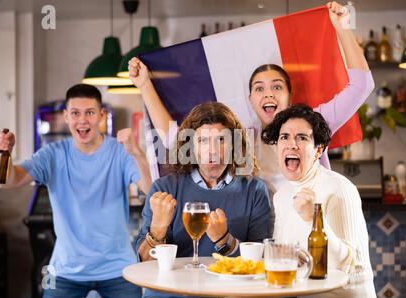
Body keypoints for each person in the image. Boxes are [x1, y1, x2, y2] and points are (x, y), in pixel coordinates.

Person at [128, 1, 374, 231]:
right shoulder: (243, 137)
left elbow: (361, 86)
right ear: (251, 100)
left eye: (277, 87)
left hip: (311, 225)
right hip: (261, 232)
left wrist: (342, 28)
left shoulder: (311, 124)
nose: (268, 93)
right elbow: (175, 139)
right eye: (259, 88)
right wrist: (145, 85)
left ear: (290, 95)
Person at [0, 84, 152, 298]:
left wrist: (137, 153)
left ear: (101, 115)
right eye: (75, 113)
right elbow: (10, 181)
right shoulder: (52, 154)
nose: (82, 120)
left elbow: (151, 189)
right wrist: (5, 154)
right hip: (65, 270)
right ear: (66, 116)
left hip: (118, 269)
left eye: (90, 112)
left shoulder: (119, 152)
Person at [135, 102, 271, 298]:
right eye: (203, 141)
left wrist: (225, 240)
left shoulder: (255, 190)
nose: (212, 151)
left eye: (221, 140)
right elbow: (144, 262)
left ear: (234, 144)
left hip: (225, 297)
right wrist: (157, 228)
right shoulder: (163, 189)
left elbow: (260, 261)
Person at [261, 104, 376, 298]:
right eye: (284, 137)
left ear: (318, 150)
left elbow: (346, 265)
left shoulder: (339, 188)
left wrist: (312, 219)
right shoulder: (281, 195)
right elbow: (284, 255)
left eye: (302, 138)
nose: (291, 144)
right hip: (301, 294)